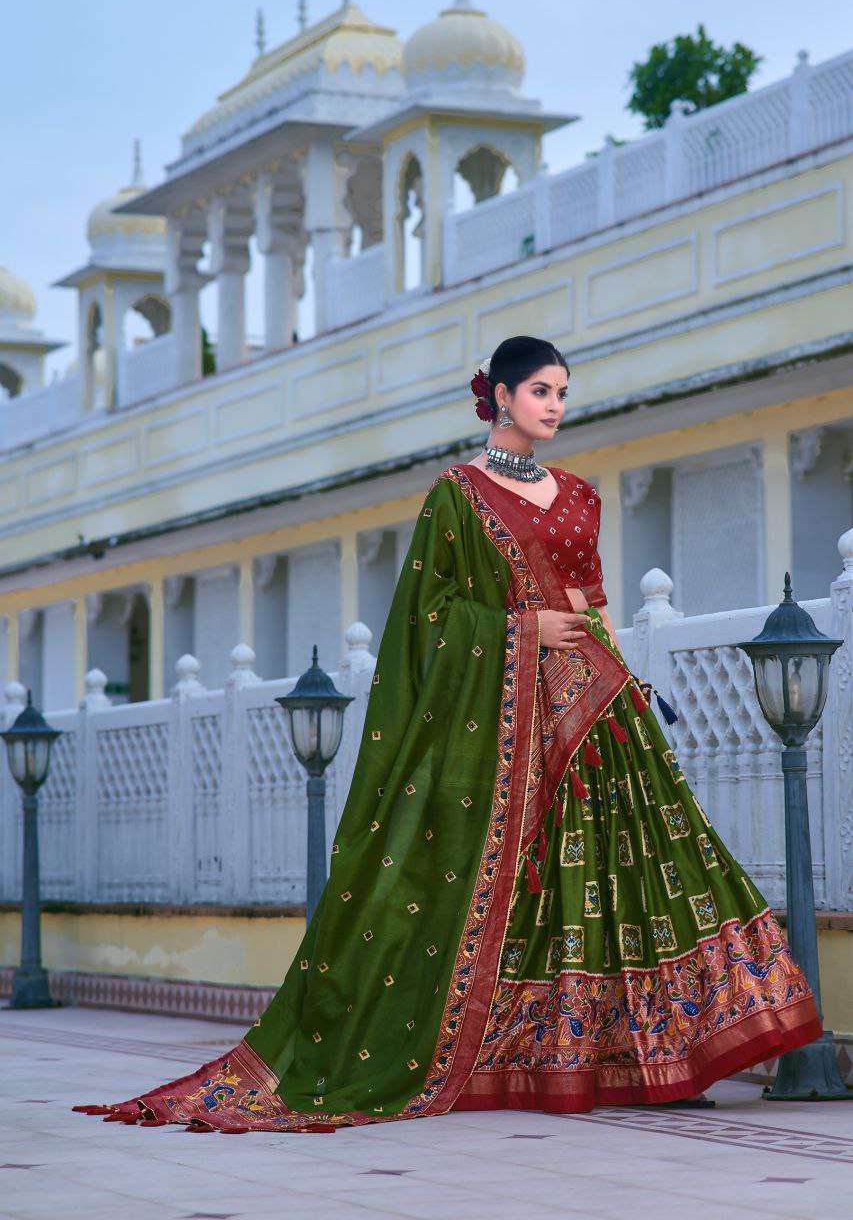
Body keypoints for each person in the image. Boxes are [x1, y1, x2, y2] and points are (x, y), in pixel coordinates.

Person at [74, 335, 823, 1133]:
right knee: (526, 882)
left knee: (635, 870)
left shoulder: (577, 493)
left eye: (562, 392)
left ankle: (661, 1054)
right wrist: (521, 628)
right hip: (501, 718)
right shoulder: (456, 497)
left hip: (594, 709)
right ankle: (522, 1055)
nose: (555, 406)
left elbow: (590, 598)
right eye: (540, 391)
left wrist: (616, 673)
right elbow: (424, 621)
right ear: (499, 396)